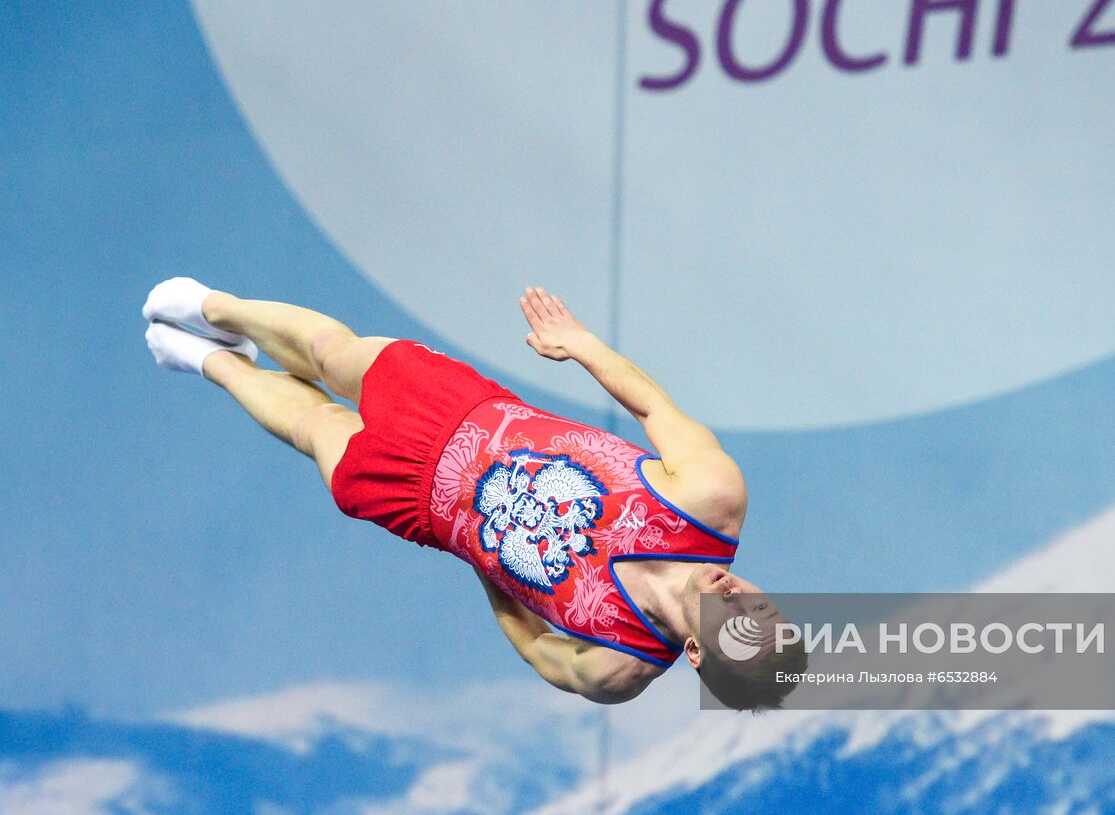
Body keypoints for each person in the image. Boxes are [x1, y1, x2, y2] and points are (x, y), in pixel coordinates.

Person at [142, 278, 803, 709]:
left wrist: (484, 562)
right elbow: (656, 409)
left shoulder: (617, 667)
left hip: (420, 500)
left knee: (315, 427)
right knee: (329, 351)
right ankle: (219, 309)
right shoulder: (712, 499)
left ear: (696, 654)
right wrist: (583, 346)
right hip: (461, 410)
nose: (738, 595)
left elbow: (537, 648)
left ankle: (218, 363)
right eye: (762, 604)